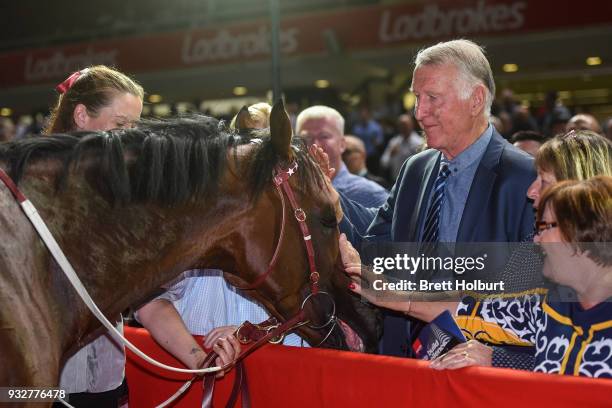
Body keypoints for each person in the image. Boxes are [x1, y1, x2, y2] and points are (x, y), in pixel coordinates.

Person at [340, 130, 612, 369]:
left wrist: (499, 360)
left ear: (583, 199)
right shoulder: (545, 301)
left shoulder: (547, 271)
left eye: (544, 181)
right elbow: (483, 310)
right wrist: (389, 293)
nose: (531, 191)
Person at [49, 66, 238, 408]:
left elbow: (149, 300)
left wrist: (198, 359)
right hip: (40, 385)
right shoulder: (31, 192)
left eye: (134, 126)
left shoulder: (124, 200)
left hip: (106, 381)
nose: (130, 136)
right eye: (120, 124)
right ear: (80, 115)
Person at [339, 39, 536, 358]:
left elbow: (537, 308)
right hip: (405, 363)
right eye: (417, 98)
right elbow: (376, 248)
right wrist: (330, 206)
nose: (419, 112)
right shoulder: (415, 169)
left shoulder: (525, 179)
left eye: (432, 98)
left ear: (476, 99)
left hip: (479, 372)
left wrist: (498, 359)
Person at [432, 176, 612, 378]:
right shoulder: (551, 305)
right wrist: (398, 298)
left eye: (545, 227)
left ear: (581, 234)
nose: (536, 239)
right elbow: (475, 310)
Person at [296, 105, 389, 208]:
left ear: (342, 144)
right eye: (307, 137)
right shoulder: (286, 194)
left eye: (324, 136)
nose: (315, 144)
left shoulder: (371, 195)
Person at [379, 114, 424, 181]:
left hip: (415, 181)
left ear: (412, 125)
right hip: (396, 181)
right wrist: (391, 154)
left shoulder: (419, 143)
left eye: (405, 125)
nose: (403, 128)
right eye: (401, 125)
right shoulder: (394, 142)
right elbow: (383, 163)